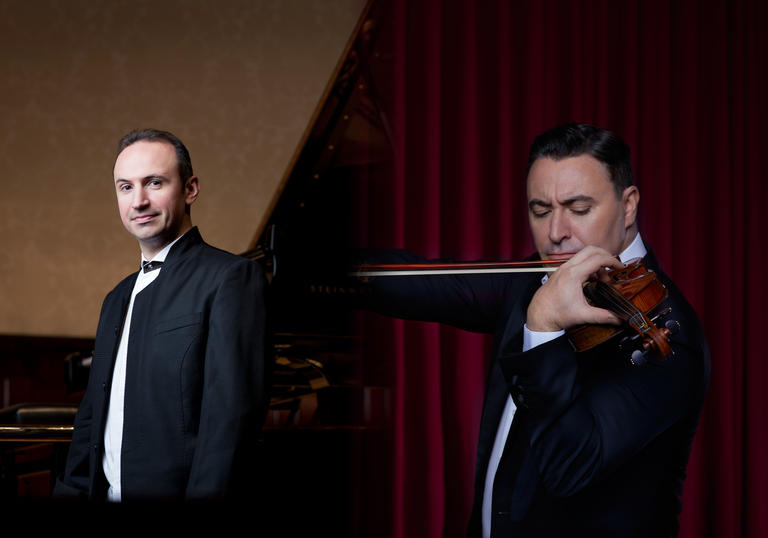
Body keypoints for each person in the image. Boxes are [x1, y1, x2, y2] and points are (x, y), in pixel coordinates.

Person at [356, 123, 710, 537]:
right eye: (541, 211)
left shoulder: (667, 333)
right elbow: (423, 284)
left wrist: (542, 328)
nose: (556, 233)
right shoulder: (533, 282)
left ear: (628, 205)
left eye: (579, 209)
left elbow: (570, 468)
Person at [55, 129, 269, 502]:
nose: (138, 201)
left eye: (154, 183)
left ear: (190, 189)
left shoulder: (231, 278)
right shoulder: (115, 298)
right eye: (125, 187)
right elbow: (92, 416)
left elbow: (230, 426)